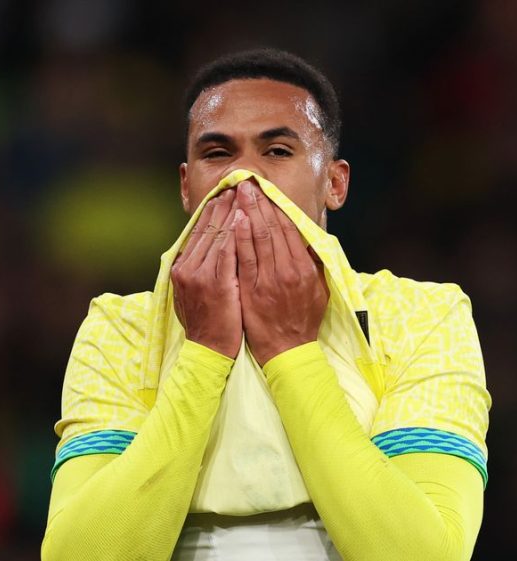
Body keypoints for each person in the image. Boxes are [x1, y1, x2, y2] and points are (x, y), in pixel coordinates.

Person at [41, 49, 491, 561]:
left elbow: (425, 555)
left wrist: (289, 349)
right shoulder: (121, 329)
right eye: (218, 154)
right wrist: (204, 354)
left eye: (277, 151)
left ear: (335, 183)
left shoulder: (422, 317)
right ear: (186, 187)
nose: (243, 178)